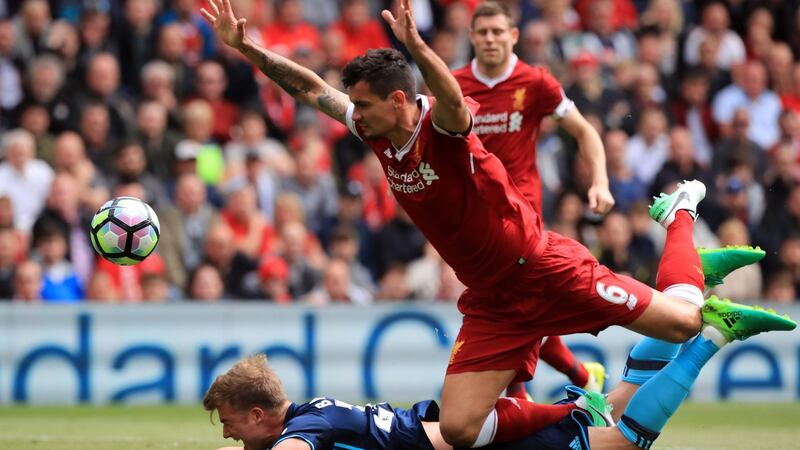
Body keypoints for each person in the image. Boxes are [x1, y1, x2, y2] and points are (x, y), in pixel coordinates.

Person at [201, 1, 793, 447]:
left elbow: (454, 105)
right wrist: (247, 49)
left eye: (365, 103)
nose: (353, 112)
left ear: (401, 100)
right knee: (458, 429)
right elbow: (311, 89)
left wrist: (418, 48)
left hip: (542, 265)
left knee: (683, 321)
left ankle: (682, 213)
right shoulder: (373, 130)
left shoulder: (443, 128)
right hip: (493, 298)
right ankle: (579, 413)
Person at [205, 318, 794, 450]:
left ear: (260, 413)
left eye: (229, 423)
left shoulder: (302, 431)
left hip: (476, 439)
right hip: (465, 424)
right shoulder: (317, 410)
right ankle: (689, 307)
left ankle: (708, 331)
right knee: (611, 400)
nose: (228, 436)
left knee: (624, 438)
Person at [454, 1, 614, 397]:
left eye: (498, 32)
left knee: (510, 308)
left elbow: (585, 132)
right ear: (472, 37)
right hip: (475, 219)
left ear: (514, 36)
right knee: (519, 308)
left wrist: (600, 181)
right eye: (483, 32)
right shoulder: (453, 85)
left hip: (523, 214)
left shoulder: (535, 82)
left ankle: (520, 404)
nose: (490, 39)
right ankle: (581, 379)